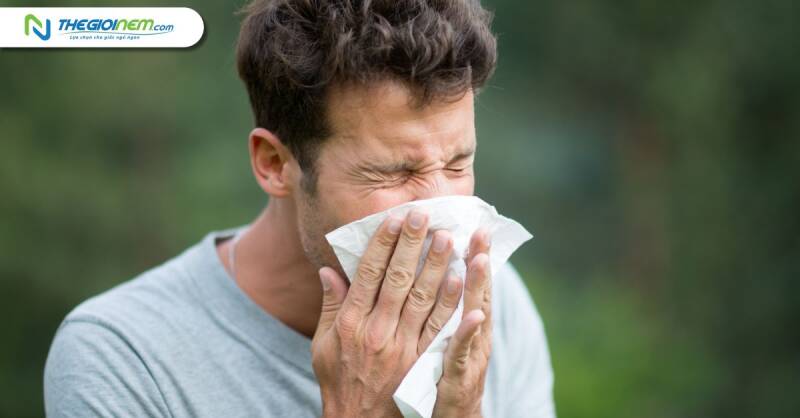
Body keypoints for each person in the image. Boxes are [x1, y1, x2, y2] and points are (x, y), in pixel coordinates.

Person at [44, 1, 555, 417]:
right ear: (274, 164)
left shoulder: (490, 302)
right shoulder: (123, 357)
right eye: (394, 173)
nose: (441, 212)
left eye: (458, 163)